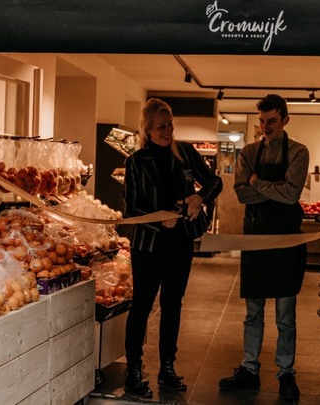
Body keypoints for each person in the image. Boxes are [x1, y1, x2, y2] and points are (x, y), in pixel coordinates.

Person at [123, 98, 223, 398]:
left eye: (170, 125)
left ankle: (167, 367)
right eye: (161, 127)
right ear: (147, 129)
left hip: (180, 243)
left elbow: (215, 182)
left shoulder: (186, 153)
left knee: (173, 304)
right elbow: (131, 210)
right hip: (148, 245)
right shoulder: (136, 162)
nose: (167, 131)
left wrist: (199, 198)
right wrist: (158, 220)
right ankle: (134, 371)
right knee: (142, 306)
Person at [219, 94, 309, 400]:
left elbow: (292, 195)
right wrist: (275, 189)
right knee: (253, 312)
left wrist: (256, 184)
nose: (265, 126)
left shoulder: (298, 152)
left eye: (271, 120)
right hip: (255, 239)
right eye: (262, 121)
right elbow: (241, 195)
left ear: (285, 120)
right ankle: (250, 368)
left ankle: (286, 372)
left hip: (286, 241)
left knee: (286, 315)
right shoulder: (248, 152)